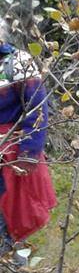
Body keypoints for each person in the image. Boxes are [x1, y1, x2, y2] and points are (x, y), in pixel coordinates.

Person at [0, 40, 56, 253]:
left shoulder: (19, 62)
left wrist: (28, 154)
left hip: (11, 152)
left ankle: (14, 269)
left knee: (13, 214)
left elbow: (37, 111)